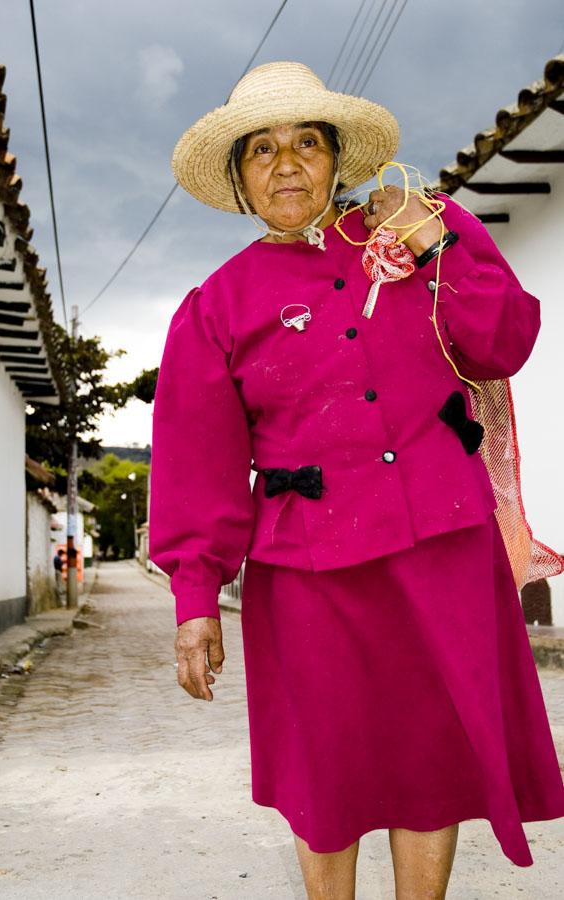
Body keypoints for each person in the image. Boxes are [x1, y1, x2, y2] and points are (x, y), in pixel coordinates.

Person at [149, 61, 564, 899]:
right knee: (326, 772)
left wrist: (435, 241)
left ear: (339, 159)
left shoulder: (422, 232)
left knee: (434, 759)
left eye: (307, 142)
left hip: (443, 552)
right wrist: (196, 604)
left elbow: (504, 340)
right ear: (239, 177)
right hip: (310, 577)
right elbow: (200, 471)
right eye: (261, 150)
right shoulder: (215, 308)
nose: (287, 164)